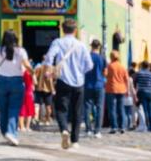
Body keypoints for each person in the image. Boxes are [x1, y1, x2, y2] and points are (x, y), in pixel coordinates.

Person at [45, 19, 93, 150]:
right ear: (75, 30)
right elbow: (90, 65)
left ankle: (64, 130)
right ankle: (75, 140)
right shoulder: (81, 45)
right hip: (79, 82)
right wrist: (79, 72)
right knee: (77, 111)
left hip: (63, 80)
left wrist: (49, 69)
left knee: (61, 109)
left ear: (62, 29)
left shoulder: (57, 42)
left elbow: (49, 57)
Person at [0, 29, 33, 146]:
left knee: (3, 108)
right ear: (16, 38)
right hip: (16, 81)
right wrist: (33, 72)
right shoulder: (21, 51)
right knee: (14, 109)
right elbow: (26, 65)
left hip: (2, 81)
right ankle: (11, 132)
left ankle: (5, 132)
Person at [83, 40, 106, 139]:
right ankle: (97, 131)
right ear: (99, 47)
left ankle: (88, 129)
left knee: (87, 107)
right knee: (99, 107)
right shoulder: (102, 58)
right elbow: (105, 72)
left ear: (91, 46)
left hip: (87, 84)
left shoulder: (86, 57)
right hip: (99, 85)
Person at [104, 50, 128, 134]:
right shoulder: (122, 67)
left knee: (112, 109)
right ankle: (122, 127)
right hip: (121, 89)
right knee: (121, 108)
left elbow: (105, 74)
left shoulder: (110, 66)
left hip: (111, 88)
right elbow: (126, 79)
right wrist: (127, 89)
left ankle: (114, 127)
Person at [133, 61, 151, 132]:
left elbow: (135, 82)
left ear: (142, 66)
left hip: (141, 92)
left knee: (145, 110)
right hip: (150, 93)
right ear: (148, 67)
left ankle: (147, 127)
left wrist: (135, 91)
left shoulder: (138, 74)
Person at [34, 58, 56, 127]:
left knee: (39, 105)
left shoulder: (39, 67)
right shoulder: (52, 68)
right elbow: (56, 78)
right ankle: (47, 119)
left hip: (39, 88)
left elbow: (34, 75)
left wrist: (36, 84)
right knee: (48, 106)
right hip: (49, 90)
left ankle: (38, 119)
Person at [18, 62, 35, 131]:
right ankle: (27, 127)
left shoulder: (21, 72)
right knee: (29, 110)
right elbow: (35, 82)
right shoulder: (31, 73)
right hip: (29, 92)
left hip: (21, 91)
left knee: (21, 109)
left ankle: (21, 126)